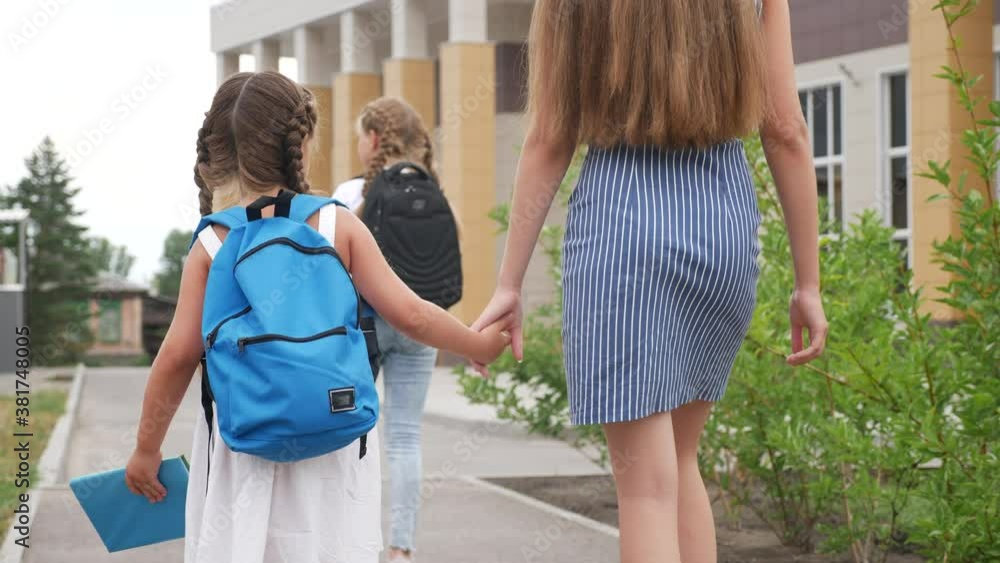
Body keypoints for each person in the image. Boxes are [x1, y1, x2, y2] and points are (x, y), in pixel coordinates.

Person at [471, 1, 829, 562]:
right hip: (723, 227)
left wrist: (509, 283)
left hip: (621, 225)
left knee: (645, 489)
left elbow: (548, 134)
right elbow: (785, 130)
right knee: (681, 462)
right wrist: (808, 284)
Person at [123, 72, 511, 563]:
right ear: (302, 146)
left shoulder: (212, 242)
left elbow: (177, 357)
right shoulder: (335, 223)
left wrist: (146, 450)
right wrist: (478, 344)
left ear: (219, 152)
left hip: (242, 444)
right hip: (335, 436)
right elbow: (411, 314)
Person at [332, 96, 442, 563]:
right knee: (404, 438)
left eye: (360, 135)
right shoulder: (432, 189)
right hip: (421, 323)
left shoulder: (349, 193)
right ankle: (400, 549)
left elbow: (330, 265)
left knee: (351, 432)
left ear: (373, 139)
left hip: (366, 326)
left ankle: (349, 542)